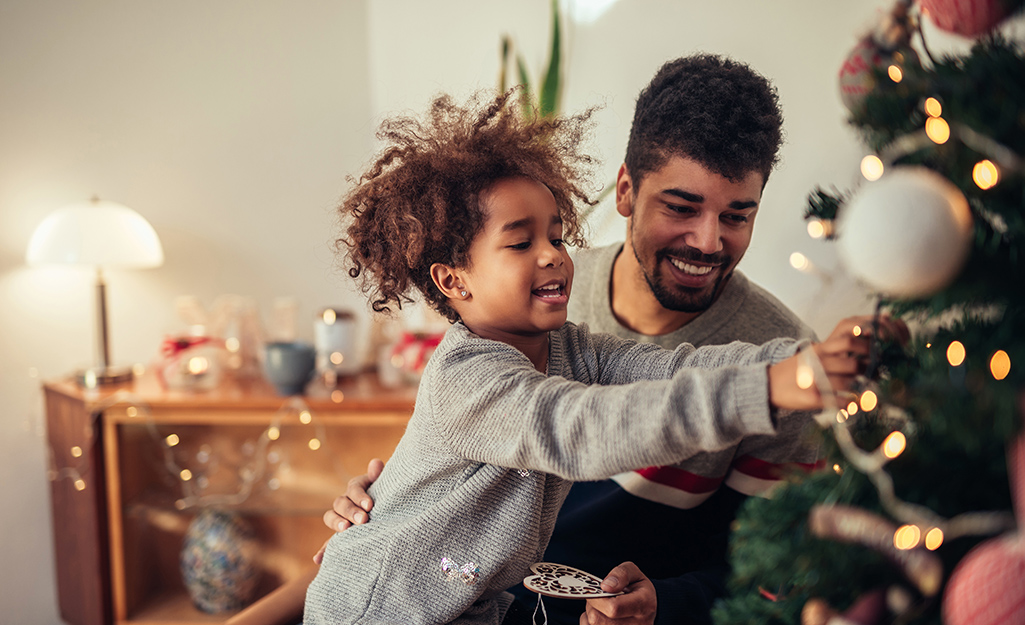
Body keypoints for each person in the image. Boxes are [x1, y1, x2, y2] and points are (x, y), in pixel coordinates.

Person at [305, 87, 893, 625]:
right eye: (521, 242)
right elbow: (583, 427)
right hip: (377, 610)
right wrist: (768, 388)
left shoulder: (566, 341)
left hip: (479, 603)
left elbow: (672, 367)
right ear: (454, 280)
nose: (554, 257)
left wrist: (804, 359)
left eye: (557, 236)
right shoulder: (469, 373)